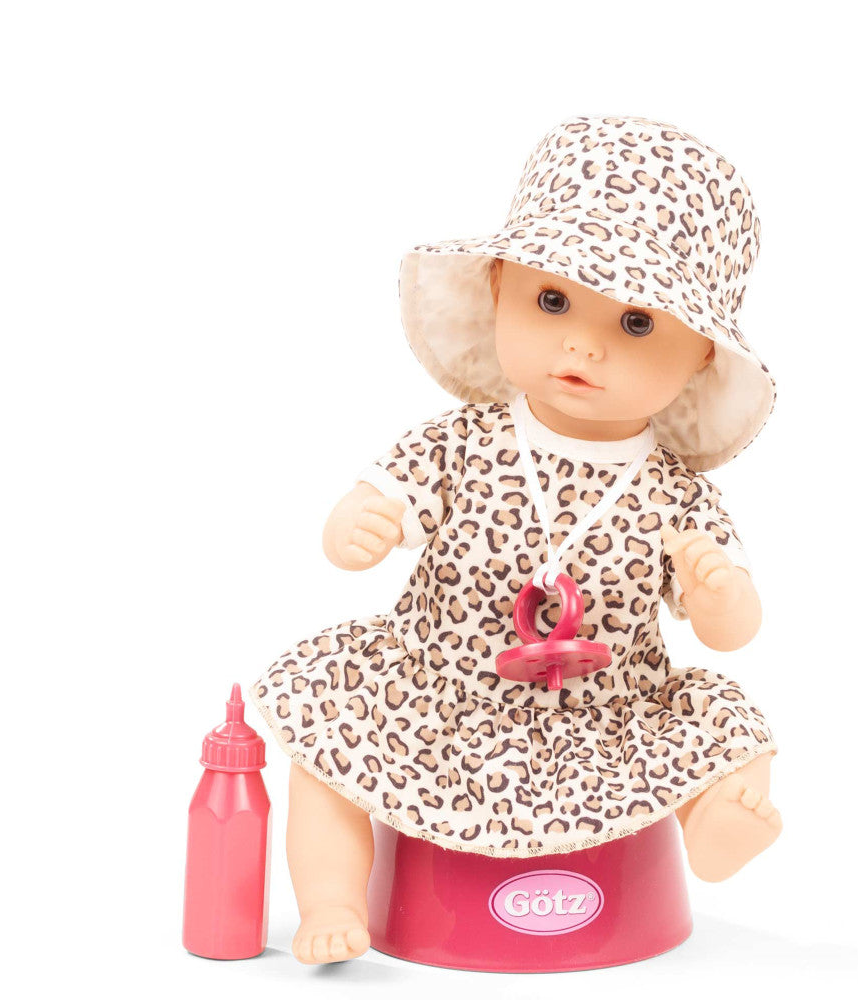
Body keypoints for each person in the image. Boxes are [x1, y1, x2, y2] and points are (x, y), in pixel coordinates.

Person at [250, 115, 781, 965]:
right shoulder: (461, 442)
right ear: (499, 290)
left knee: (731, 726)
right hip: (436, 697)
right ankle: (333, 901)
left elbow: (733, 631)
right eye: (553, 300)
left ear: (699, 360)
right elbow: (371, 506)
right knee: (326, 732)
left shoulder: (675, 492)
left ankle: (715, 822)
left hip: (610, 718)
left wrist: (719, 594)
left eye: (636, 324)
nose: (582, 343)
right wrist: (355, 527)